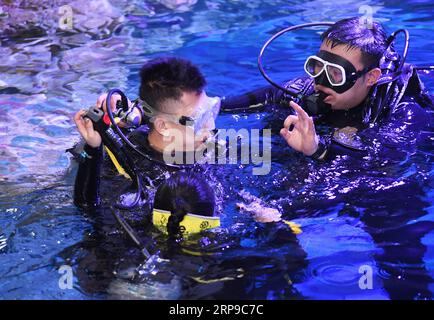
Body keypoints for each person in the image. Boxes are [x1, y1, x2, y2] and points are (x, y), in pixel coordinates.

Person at [221, 17, 433, 161]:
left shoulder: (405, 113)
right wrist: (211, 105)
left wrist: (318, 149)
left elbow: (384, 159)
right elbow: (267, 95)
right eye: (317, 66)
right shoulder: (308, 87)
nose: (320, 81)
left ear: (370, 78)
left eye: (335, 73)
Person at [70, 57, 221, 210]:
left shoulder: (200, 144)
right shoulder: (126, 170)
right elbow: (88, 209)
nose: (209, 130)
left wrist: (137, 110)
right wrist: (93, 149)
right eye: (200, 119)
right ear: (163, 127)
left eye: (211, 111)